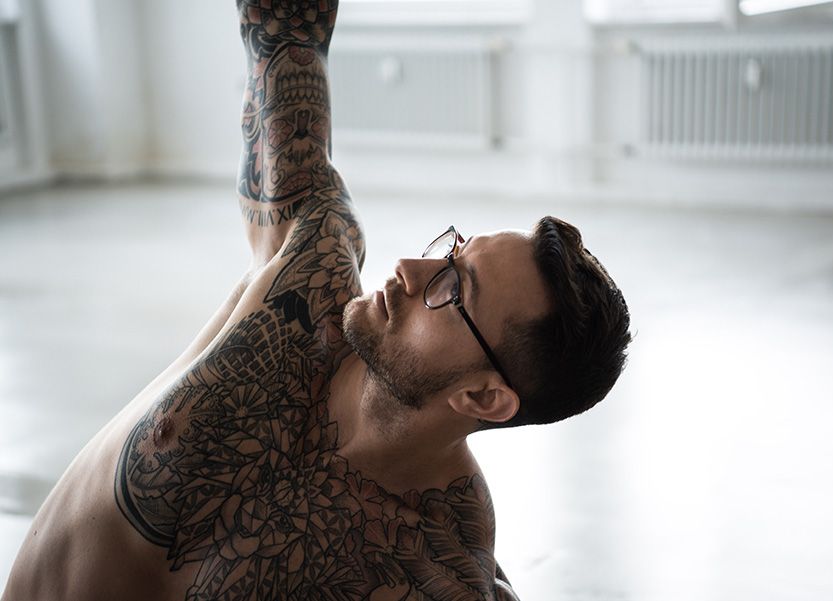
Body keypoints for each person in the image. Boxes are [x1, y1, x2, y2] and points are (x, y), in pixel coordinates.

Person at [2, 1, 631, 599]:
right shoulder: (307, 276)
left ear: (483, 398)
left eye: (452, 288)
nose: (411, 269)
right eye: (451, 251)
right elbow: (285, 35)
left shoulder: (432, 571)